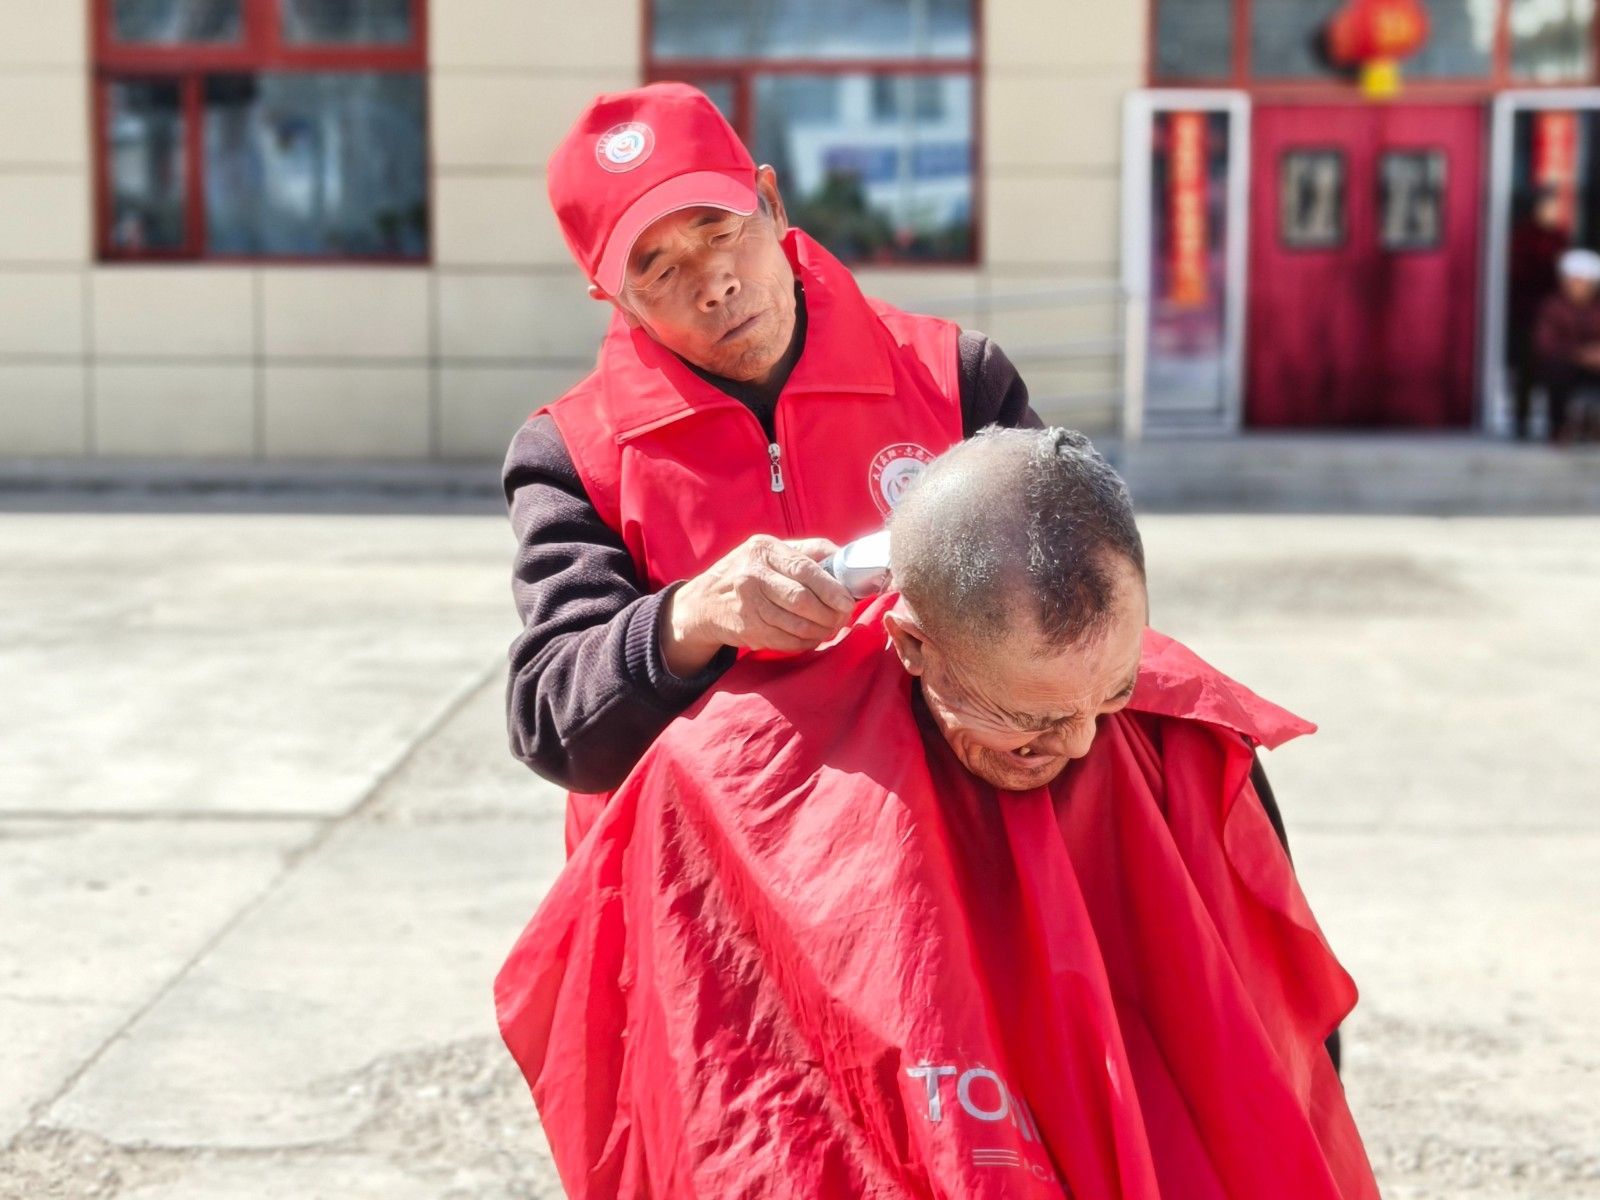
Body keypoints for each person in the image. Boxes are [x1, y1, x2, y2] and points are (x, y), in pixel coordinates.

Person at [497, 428, 1377, 1200]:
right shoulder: (733, 778)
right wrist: (683, 625)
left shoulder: (1179, 739)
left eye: (1110, 694)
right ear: (912, 644)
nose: (1076, 743)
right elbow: (720, 1109)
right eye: (1028, 717)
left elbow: (1278, 1046)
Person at [501, 82, 1048, 851]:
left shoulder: (954, 377)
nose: (714, 283)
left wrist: (1049, 701)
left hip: (940, 853)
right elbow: (554, 726)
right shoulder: (572, 455)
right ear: (615, 300)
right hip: (707, 880)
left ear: (772, 203)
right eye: (658, 269)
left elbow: (1080, 583)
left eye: (719, 229)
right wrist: (690, 617)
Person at [1508, 187, 1569, 439]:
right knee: (1526, 367)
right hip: (1528, 313)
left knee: (1557, 367)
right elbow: (1517, 272)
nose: (1551, 211)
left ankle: (1557, 424)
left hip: (1555, 315)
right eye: (1547, 206)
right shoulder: (1523, 237)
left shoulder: (1558, 237)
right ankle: (1521, 420)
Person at [1533, 247, 1600, 443]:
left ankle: (1593, 425)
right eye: (1573, 281)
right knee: (1556, 371)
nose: (1577, 287)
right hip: (1567, 366)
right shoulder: (1552, 307)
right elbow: (1545, 344)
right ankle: (1560, 427)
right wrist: (1581, 355)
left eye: (1583, 282)